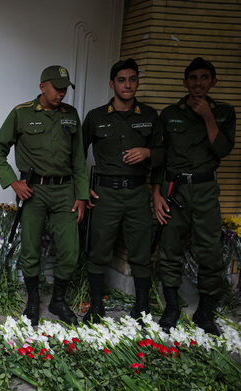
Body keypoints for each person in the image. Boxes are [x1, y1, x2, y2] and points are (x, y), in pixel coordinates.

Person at [0, 65, 88, 326]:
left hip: (66, 191)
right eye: (57, 88)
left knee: (70, 250)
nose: (62, 93)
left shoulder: (71, 115)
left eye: (65, 88)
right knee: (31, 249)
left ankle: (58, 301)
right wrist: (13, 182)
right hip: (34, 191)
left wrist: (81, 196)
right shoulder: (21, 113)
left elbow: (79, 159)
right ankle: (33, 301)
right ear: (42, 86)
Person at [152, 57, 236, 336]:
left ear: (213, 81)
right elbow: (160, 158)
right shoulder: (169, 114)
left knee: (210, 251)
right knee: (169, 250)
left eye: (204, 77)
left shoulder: (224, 112)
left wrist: (208, 117)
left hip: (205, 189)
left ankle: (205, 312)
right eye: (193, 78)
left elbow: (222, 150)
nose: (198, 83)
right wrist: (156, 193)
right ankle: (172, 307)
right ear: (185, 82)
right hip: (174, 189)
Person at [81, 59, 162, 324]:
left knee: (141, 249)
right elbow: (76, 156)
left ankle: (141, 307)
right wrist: (83, 190)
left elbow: (165, 154)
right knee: (99, 249)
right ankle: (95, 305)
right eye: (122, 80)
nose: (128, 85)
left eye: (132, 79)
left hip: (138, 193)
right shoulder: (96, 117)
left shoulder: (150, 116)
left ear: (137, 82)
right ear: (112, 84)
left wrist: (148, 151)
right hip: (105, 194)